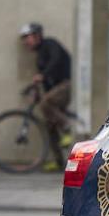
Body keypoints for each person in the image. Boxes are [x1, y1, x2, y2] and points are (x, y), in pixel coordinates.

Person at [19, 23, 73, 170]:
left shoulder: (50, 44)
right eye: (23, 39)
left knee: (45, 103)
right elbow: (46, 82)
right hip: (56, 89)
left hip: (67, 85)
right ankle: (58, 162)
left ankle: (66, 126)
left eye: (27, 37)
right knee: (49, 124)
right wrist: (34, 91)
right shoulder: (39, 57)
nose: (25, 42)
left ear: (37, 35)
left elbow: (55, 61)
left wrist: (42, 75)